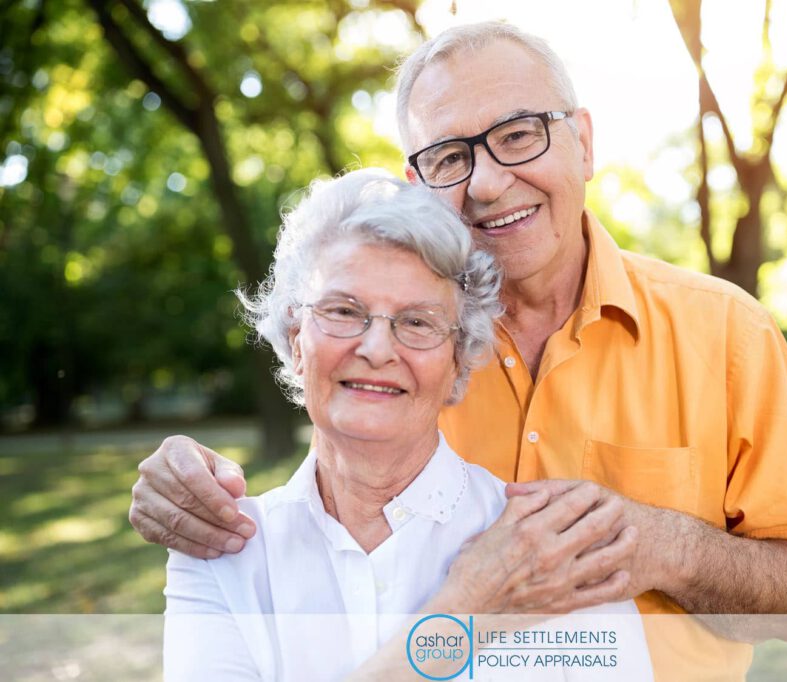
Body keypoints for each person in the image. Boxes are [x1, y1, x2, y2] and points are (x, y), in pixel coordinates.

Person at [135, 21, 787, 678]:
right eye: (450, 156)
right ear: (418, 183)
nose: (488, 182)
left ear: (583, 141)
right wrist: (182, 484)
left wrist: (659, 547)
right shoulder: (408, 352)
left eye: (519, 134)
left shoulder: (725, 332)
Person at [164, 168, 654, 681]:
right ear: (296, 337)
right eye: (343, 310)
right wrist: (464, 614)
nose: (376, 349)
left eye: (417, 322)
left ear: (459, 362)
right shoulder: (221, 553)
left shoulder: (552, 553)